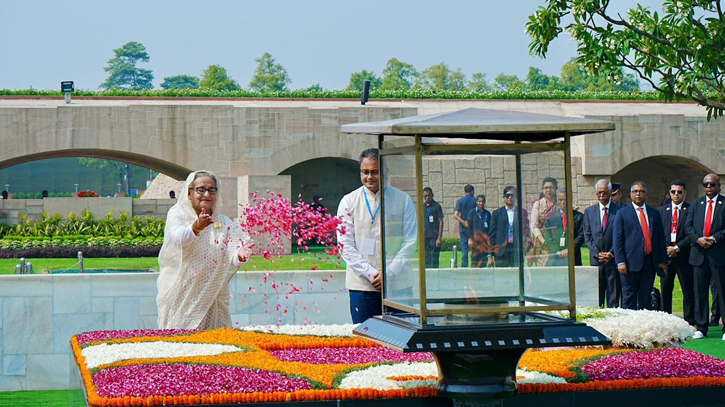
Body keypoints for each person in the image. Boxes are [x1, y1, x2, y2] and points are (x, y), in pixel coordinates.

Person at [156, 170, 253, 330]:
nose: (207, 194)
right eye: (201, 190)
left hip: (212, 295)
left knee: (216, 344)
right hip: (183, 294)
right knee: (181, 343)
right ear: (189, 193)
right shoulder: (178, 214)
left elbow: (236, 249)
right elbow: (177, 238)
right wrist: (196, 227)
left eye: (212, 190)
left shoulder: (222, 221)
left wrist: (241, 255)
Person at [337, 148, 416, 323]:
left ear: (385, 172)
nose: (369, 177)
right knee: (366, 344)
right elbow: (345, 245)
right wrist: (372, 273)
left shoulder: (402, 199)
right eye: (365, 172)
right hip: (363, 286)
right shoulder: (348, 201)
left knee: (402, 340)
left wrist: (389, 273)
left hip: (398, 285)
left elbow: (411, 240)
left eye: (375, 172)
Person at [612, 181, 668, 310]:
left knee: (646, 297)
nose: (638, 194)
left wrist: (663, 261)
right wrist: (620, 261)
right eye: (635, 191)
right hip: (629, 263)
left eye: (641, 191)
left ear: (646, 195)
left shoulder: (654, 213)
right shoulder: (622, 213)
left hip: (649, 262)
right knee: (629, 297)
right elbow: (617, 240)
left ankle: (644, 327)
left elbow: (660, 238)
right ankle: (628, 326)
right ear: (631, 194)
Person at [684, 173, 725, 340]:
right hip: (699, 254)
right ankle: (701, 327)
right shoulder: (695, 205)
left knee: (722, 292)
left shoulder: (724, 204)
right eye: (706, 185)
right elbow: (688, 226)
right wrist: (698, 239)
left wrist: (715, 239)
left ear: (719, 186)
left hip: (718, 255)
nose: (709, 187)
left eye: (712, 185)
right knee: (699, 292)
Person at [657, 180, 694, 324]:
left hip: (684, 256)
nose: (676, 195)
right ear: (669, 193)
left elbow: (692, 232)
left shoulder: (691, 209)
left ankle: (689, 321)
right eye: (673, 192)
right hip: (666, 257)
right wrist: (666, 249)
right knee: (666, 290)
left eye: (679, 192)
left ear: (685, 193)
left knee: (688, 290)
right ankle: (666, 321)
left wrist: (677, 248)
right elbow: (658, 233)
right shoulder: (662, 211)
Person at [583, 179, 622, 308]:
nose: (601, 196)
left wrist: (611, 253)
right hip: (596, 261)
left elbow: (622, 235)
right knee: (596, 296)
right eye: (599, 193)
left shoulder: (620, 211)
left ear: (610, 193)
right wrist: (597, 253)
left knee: (613, 295)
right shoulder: (589, 212)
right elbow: (587, 236)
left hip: (613, 260)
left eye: (604, 193)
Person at [488, 186, 529, 268]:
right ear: (504, 197)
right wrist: (489, 255)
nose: (510, 198)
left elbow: (526, 232)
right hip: (501, 251)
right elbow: (491, 235)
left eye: (512, 196)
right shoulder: (497, 213)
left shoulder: (522, 212)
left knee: (517, 276)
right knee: (502, 277)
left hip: (516, 251)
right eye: (507, 196)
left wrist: (524, 249)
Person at [541, 188, 583, 266]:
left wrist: (569, 250)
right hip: (555, 259)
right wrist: (558, 252)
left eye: (565, 199)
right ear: (557, 201)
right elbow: (548, 236)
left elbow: (581, 236)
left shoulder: (579, 217)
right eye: (560, 200)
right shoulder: (551, 217)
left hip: (573, 258)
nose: (563, 202)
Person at [529, 177, 558, 266]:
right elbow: (534, 226)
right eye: (546, 188)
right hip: (541, 243)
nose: (548, 190)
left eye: (551, 187)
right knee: (543, 269)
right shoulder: (538, 204)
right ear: (542, 189)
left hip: (557, 241)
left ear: (556, 188)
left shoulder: (560, 203)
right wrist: (544, 241)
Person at [466, 194, 492, 268]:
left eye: (483, 201)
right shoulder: (472, 213)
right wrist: (470, 239)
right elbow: (469, 227)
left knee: (483, 262)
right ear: (476, 202)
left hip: (484, 242)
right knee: (475, 262)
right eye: (479, 201)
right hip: (475, 241)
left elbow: (490, 228)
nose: (481, 203)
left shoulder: (487, 213)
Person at [454, 184, 476, 267]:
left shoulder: (461, 201)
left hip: (463, 229)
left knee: (464, 250)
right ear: (472, 191)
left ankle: (464, 267)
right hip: (473, 229)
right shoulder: (475, 201)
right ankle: (474, 267)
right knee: (474, 250)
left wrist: (464, 222)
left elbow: (456, 215)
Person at [423, 187, 444, 269]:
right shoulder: (423, 207)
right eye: (425, 196)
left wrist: (439, 238)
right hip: (425, 237)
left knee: (434, 259)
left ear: (432, 195)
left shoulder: (436, 206)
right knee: (426, 259)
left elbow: (441, 221)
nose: (427, 198)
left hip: (434, 237)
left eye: (429, 196)